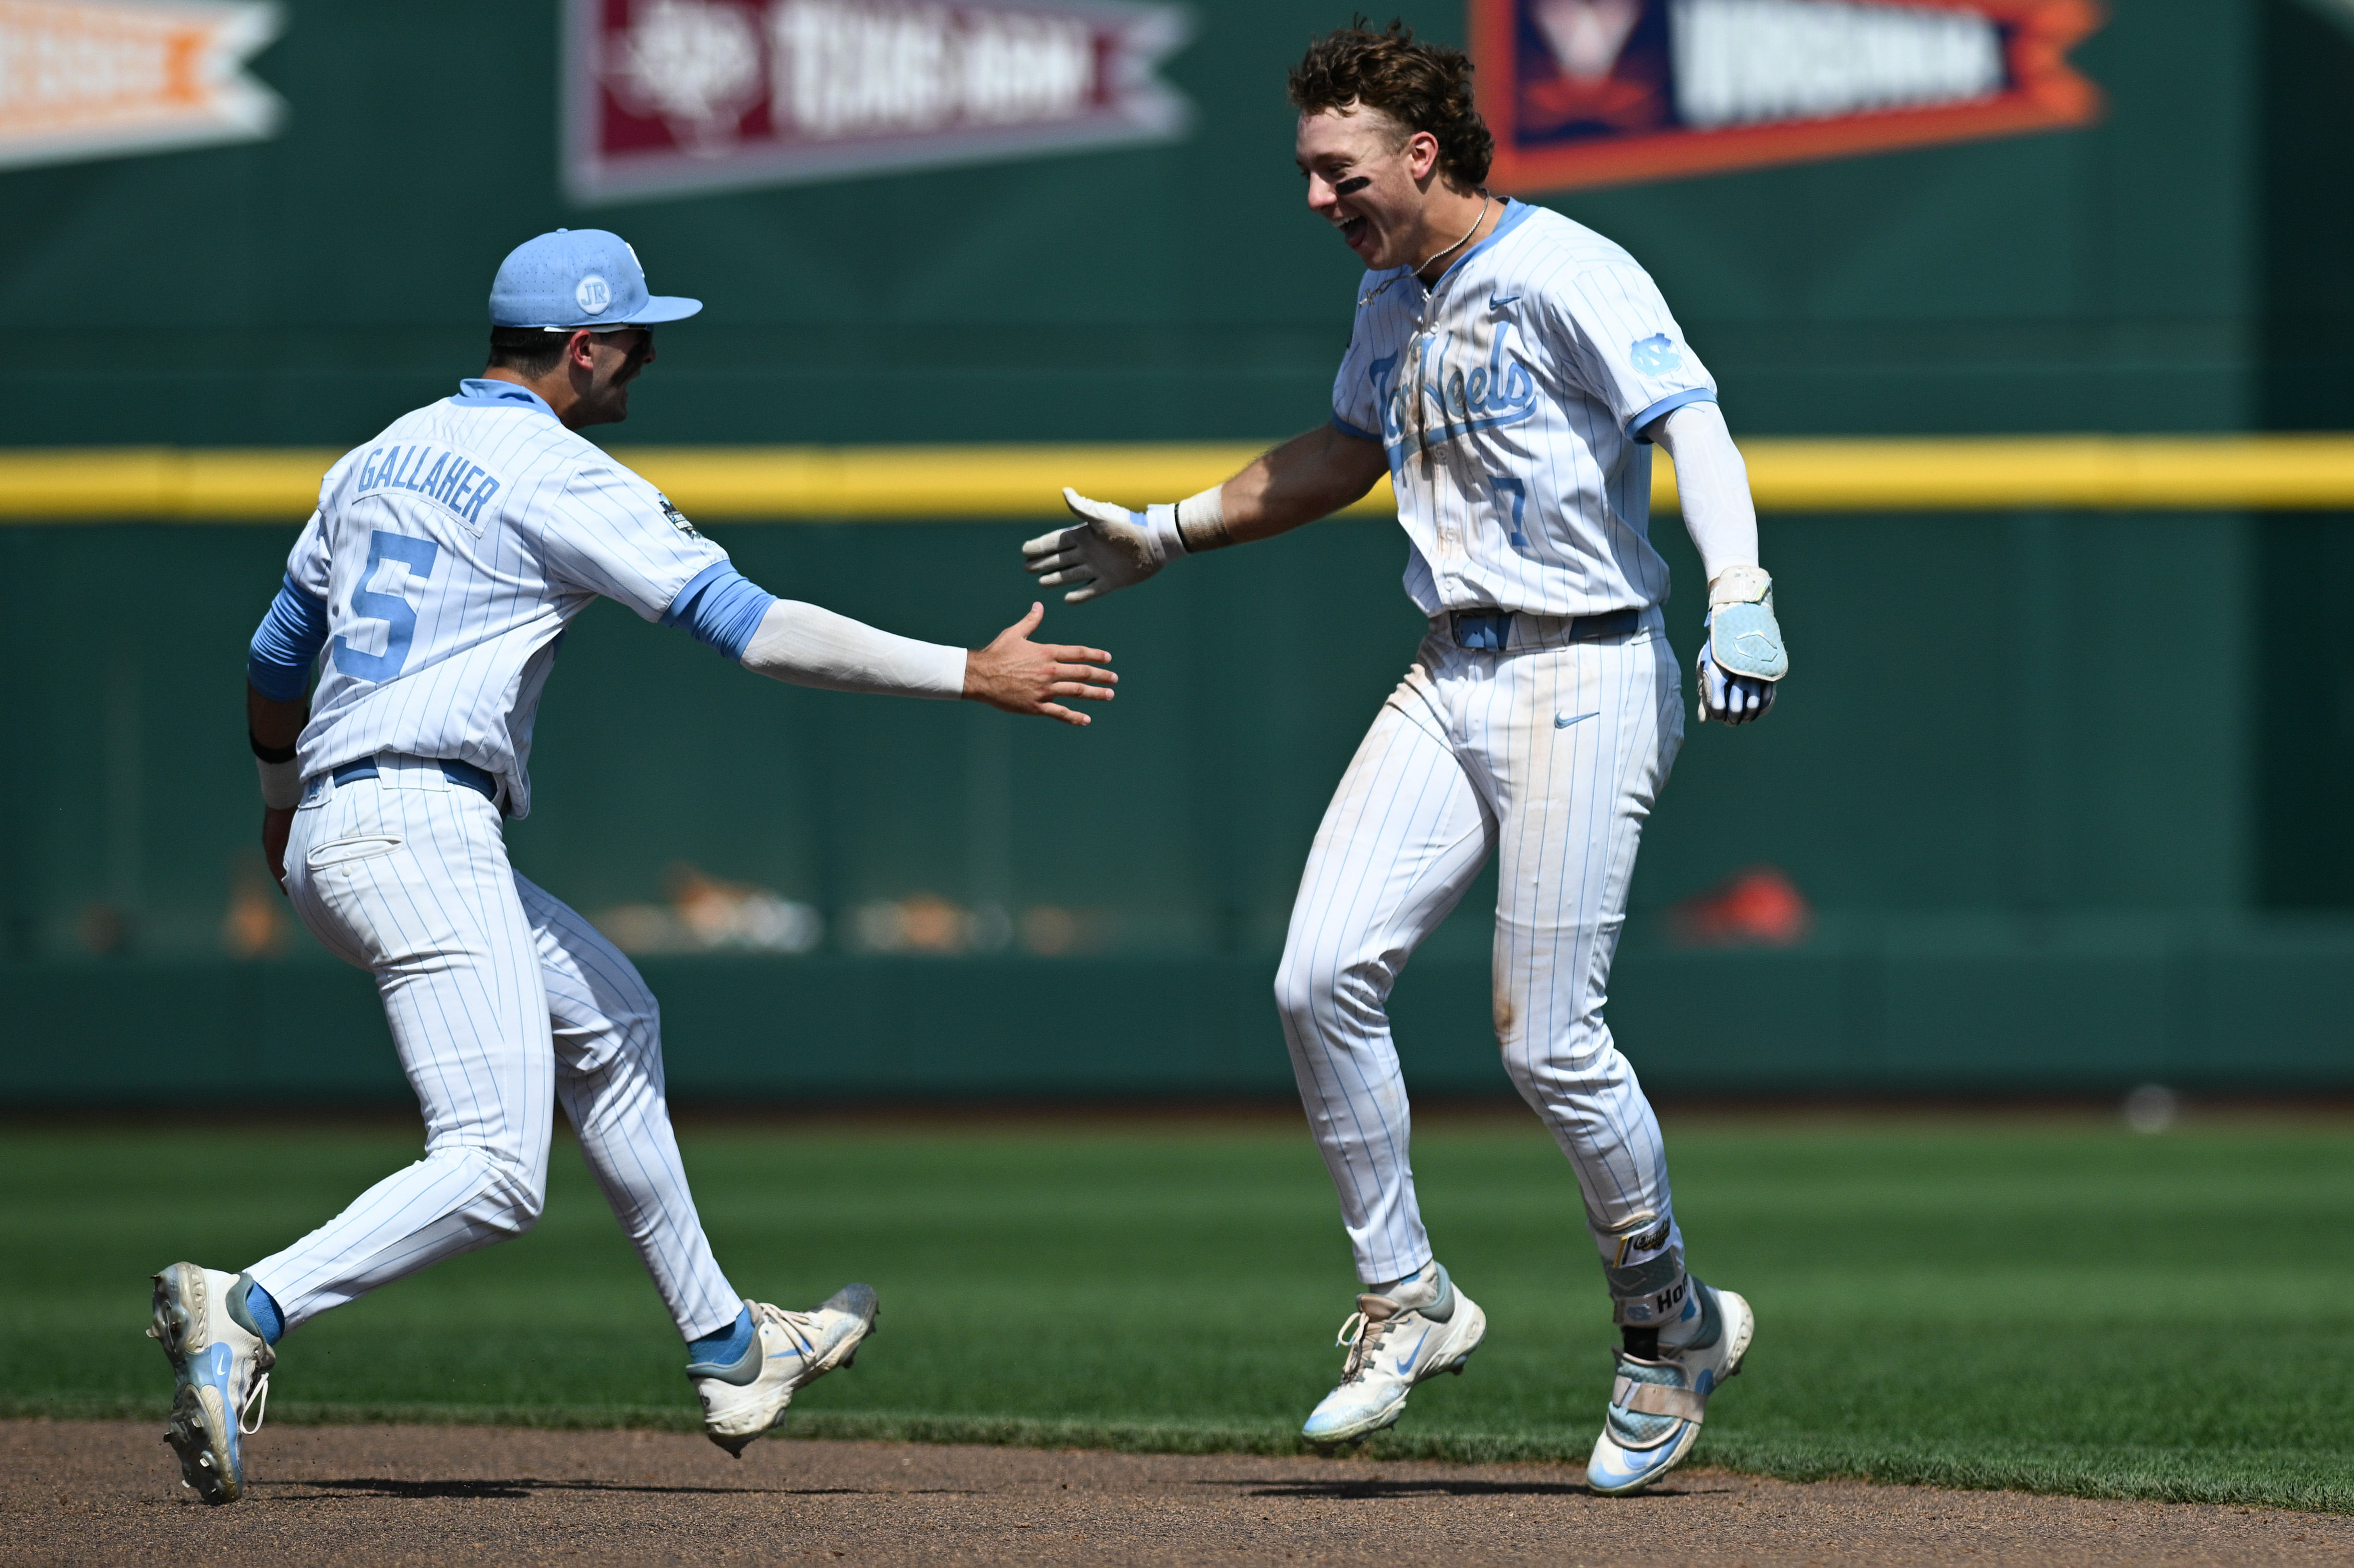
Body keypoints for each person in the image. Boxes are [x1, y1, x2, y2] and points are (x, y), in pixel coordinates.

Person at [151, 227, 1118, 1505]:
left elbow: (280, 658)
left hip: (345, 822)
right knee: (496, 1172)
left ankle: (729, 1345)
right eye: (636, 346)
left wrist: (281, 803)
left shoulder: (376, 455)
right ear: (583, 347)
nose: (642, 369)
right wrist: (970, 672)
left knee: (610, 1018)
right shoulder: (561, 473)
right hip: (423, 824)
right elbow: (758, 631)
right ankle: (252, 1305)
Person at [1021, 24, 1784, 1495]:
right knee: (1316, 976)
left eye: (1339, 167)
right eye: (1312, 166)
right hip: (1453, 669)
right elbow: (1346, 449)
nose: (1318, 194)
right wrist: (1169, 531)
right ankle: (1411, 1293)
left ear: (1421, 154)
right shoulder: (1395, 290)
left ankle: (1666, 1323)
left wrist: (1740, 590)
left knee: (1548, 1041)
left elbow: (1693, 418)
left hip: (1589, 663)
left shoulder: (1567, 267)